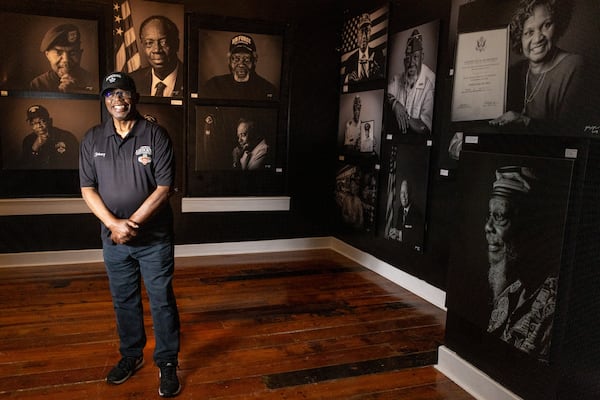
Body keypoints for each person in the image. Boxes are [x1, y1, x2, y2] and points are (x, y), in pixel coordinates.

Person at [79, 72, 181, 397]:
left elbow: (164, 188)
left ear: (134, 97)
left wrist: (129, 225)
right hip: (114, 240)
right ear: (105, 101)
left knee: (161, 301)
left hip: (154, 240)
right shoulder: (92, 139)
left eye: (122, 93)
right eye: (110, 95)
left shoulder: (156, 135)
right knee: (124, 301)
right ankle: (131, 356)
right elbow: (87, 189)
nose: (117, 100)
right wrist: (113, 225)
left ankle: (167, 363)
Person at [484, 166, 556, 361]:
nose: (487, 227)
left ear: (530, 227)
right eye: (490, 215)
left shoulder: (552, 309)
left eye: (500, 216)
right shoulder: (509, 295)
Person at [489, 0, 584, 133]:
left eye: (546, 25)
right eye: (528, 32)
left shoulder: (575, 66)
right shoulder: (514, 73)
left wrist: (525, 121)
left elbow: (571, 133)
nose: (538, 38)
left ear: (558, 25)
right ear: (519, 38)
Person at [386, 29, 435, 135]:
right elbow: (385, 93)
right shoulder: (399, 78)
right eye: (408, 58)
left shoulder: (431, 82)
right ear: (404, 61)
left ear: (422, 57)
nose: (411, 63)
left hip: (419, 145)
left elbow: (425, 127)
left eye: (415, 57)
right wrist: (395, 104)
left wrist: (405, 116)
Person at [202, 34, 277, 100]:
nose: (241, 64)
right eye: (236, 59)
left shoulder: (267, 89)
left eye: (246, 59)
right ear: (229, 60)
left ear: (255, 60)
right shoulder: (214, 86)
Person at [30, 24, 96, 93]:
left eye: (72, 53)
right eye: (59, 52)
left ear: (80, 54)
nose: (66, 60)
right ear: (47, 55)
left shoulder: (93, 81)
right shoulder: (38, 84)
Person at [130, 16, 184, 97]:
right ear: (142, 46)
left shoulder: (193, 81)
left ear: (176, 44)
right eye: (149, 43)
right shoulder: (132, 81)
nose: (157, 50)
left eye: (164, 42)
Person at [20, 104, 79, 169]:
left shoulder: (67, 137)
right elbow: (24, 166)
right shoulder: (28, 140)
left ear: (50, 121)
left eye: (42, 121)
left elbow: (76, 163)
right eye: (34, 123)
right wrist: (34, 148)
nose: (39, 126)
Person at [342, 13, 385, 88]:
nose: (364, 36)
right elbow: (344, 88)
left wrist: (378, 74)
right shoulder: (350, 60)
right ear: (357, 34)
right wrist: (348, 78)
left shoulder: (378, 54)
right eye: (362, 31)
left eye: (367, 31)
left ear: (370, 33)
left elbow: (382, 81)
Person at [388, 179, 424, 248]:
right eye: (401, 192)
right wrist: (394, 234)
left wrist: (399, 233)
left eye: (406, 193)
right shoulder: (400, 209)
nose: (403, 196)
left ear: (411, 194)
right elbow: (398, 228)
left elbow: (417, 237)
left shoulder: (416, 212)